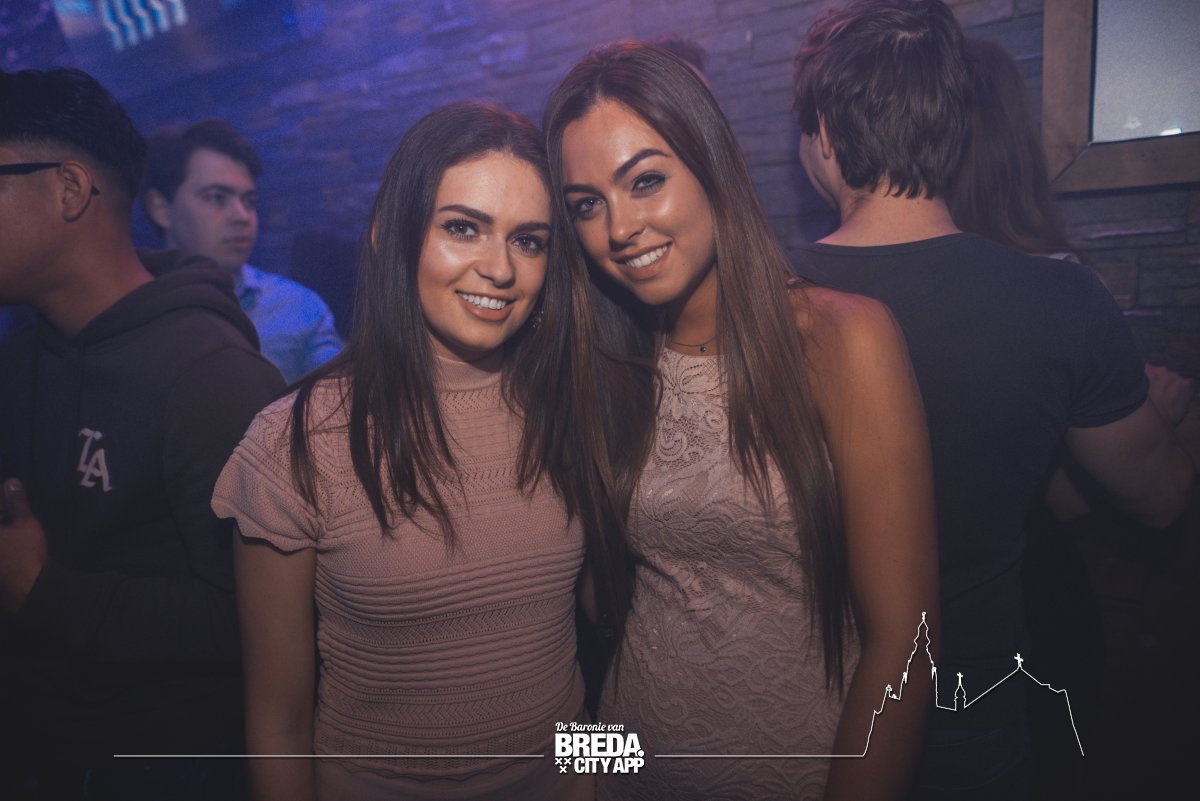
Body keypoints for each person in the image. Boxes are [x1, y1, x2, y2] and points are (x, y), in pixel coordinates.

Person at [790, 2, 1196, 798]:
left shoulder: (760, 298)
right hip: (972, 706)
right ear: (955, 126)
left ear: (825, 135)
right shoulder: (1061, 298)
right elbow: (1162, 497)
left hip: (803, 702)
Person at [544, 41, 939, 801]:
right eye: (586, 205)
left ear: (712, 164)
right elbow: (598, 624)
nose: (619, 227)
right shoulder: (608, 363)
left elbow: (906, 644)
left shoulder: (841, 339)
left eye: (646, 181)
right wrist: (579, 774)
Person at [211, 101, 624, 801]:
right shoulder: (293, 444)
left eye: (529, 240)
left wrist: (613, 781)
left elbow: (605, 654)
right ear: (388, 233)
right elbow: (279, 724)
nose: (500, 268)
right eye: (463, 228)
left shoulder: (572, 410)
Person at [0, 67, 284, 800]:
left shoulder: (212, 376)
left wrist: (44, 591)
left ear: (68, 189)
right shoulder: (21, 357)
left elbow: (260, 619)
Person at [142, 119, 343, 382]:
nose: (242, 216)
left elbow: (341, 398)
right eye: (217, 197)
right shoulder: (130, 309)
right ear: (160, 208)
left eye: (249, 201)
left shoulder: (299, 308)